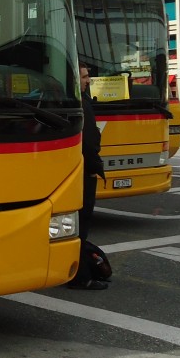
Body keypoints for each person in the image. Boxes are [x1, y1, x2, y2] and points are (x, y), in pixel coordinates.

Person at [68, 64, 107, 290]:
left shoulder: (70, 102)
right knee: (81, 225)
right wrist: (95, 167)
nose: (87, 80)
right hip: (84, 172)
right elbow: (90, 142)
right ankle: (82, 276)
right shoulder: (83, 105)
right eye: (84, 76)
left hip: (73, 169)